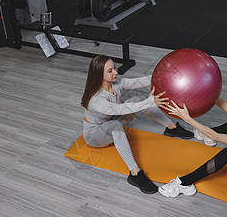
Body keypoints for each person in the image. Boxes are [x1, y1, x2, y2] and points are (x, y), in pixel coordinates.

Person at [81, 55, 194, 194]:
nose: (115, 72)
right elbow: (121, 109)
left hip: (110, 122)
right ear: (99, 74)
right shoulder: (97, 99)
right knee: (117, 124)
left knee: (138, 99)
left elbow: (139, 82)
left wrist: (163, 75)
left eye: (114, 68)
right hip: (95, 135)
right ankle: (135, 173)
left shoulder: (116, 84)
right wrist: (150, 102)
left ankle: (172, 128)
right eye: (110, 71)